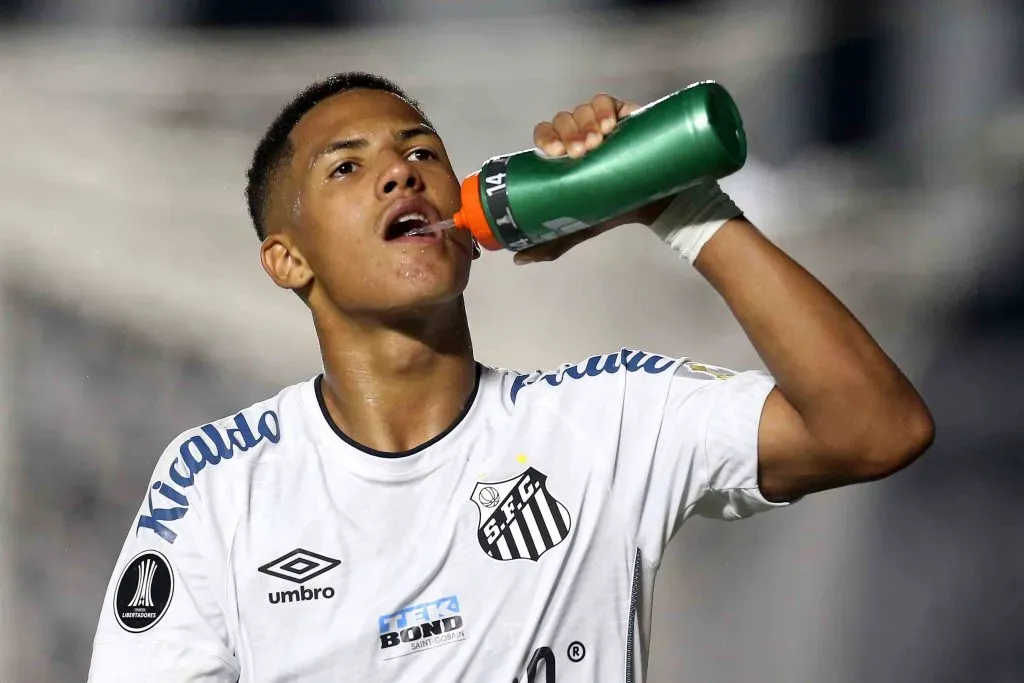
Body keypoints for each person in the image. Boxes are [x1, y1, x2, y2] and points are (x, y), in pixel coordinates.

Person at [88, 72, 934, 682]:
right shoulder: (216, 483)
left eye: (421, 150)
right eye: (346, 167)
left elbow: (877, 428)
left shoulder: (607, 416)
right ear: (287, 258)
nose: (401, 170)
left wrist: (677, 205)